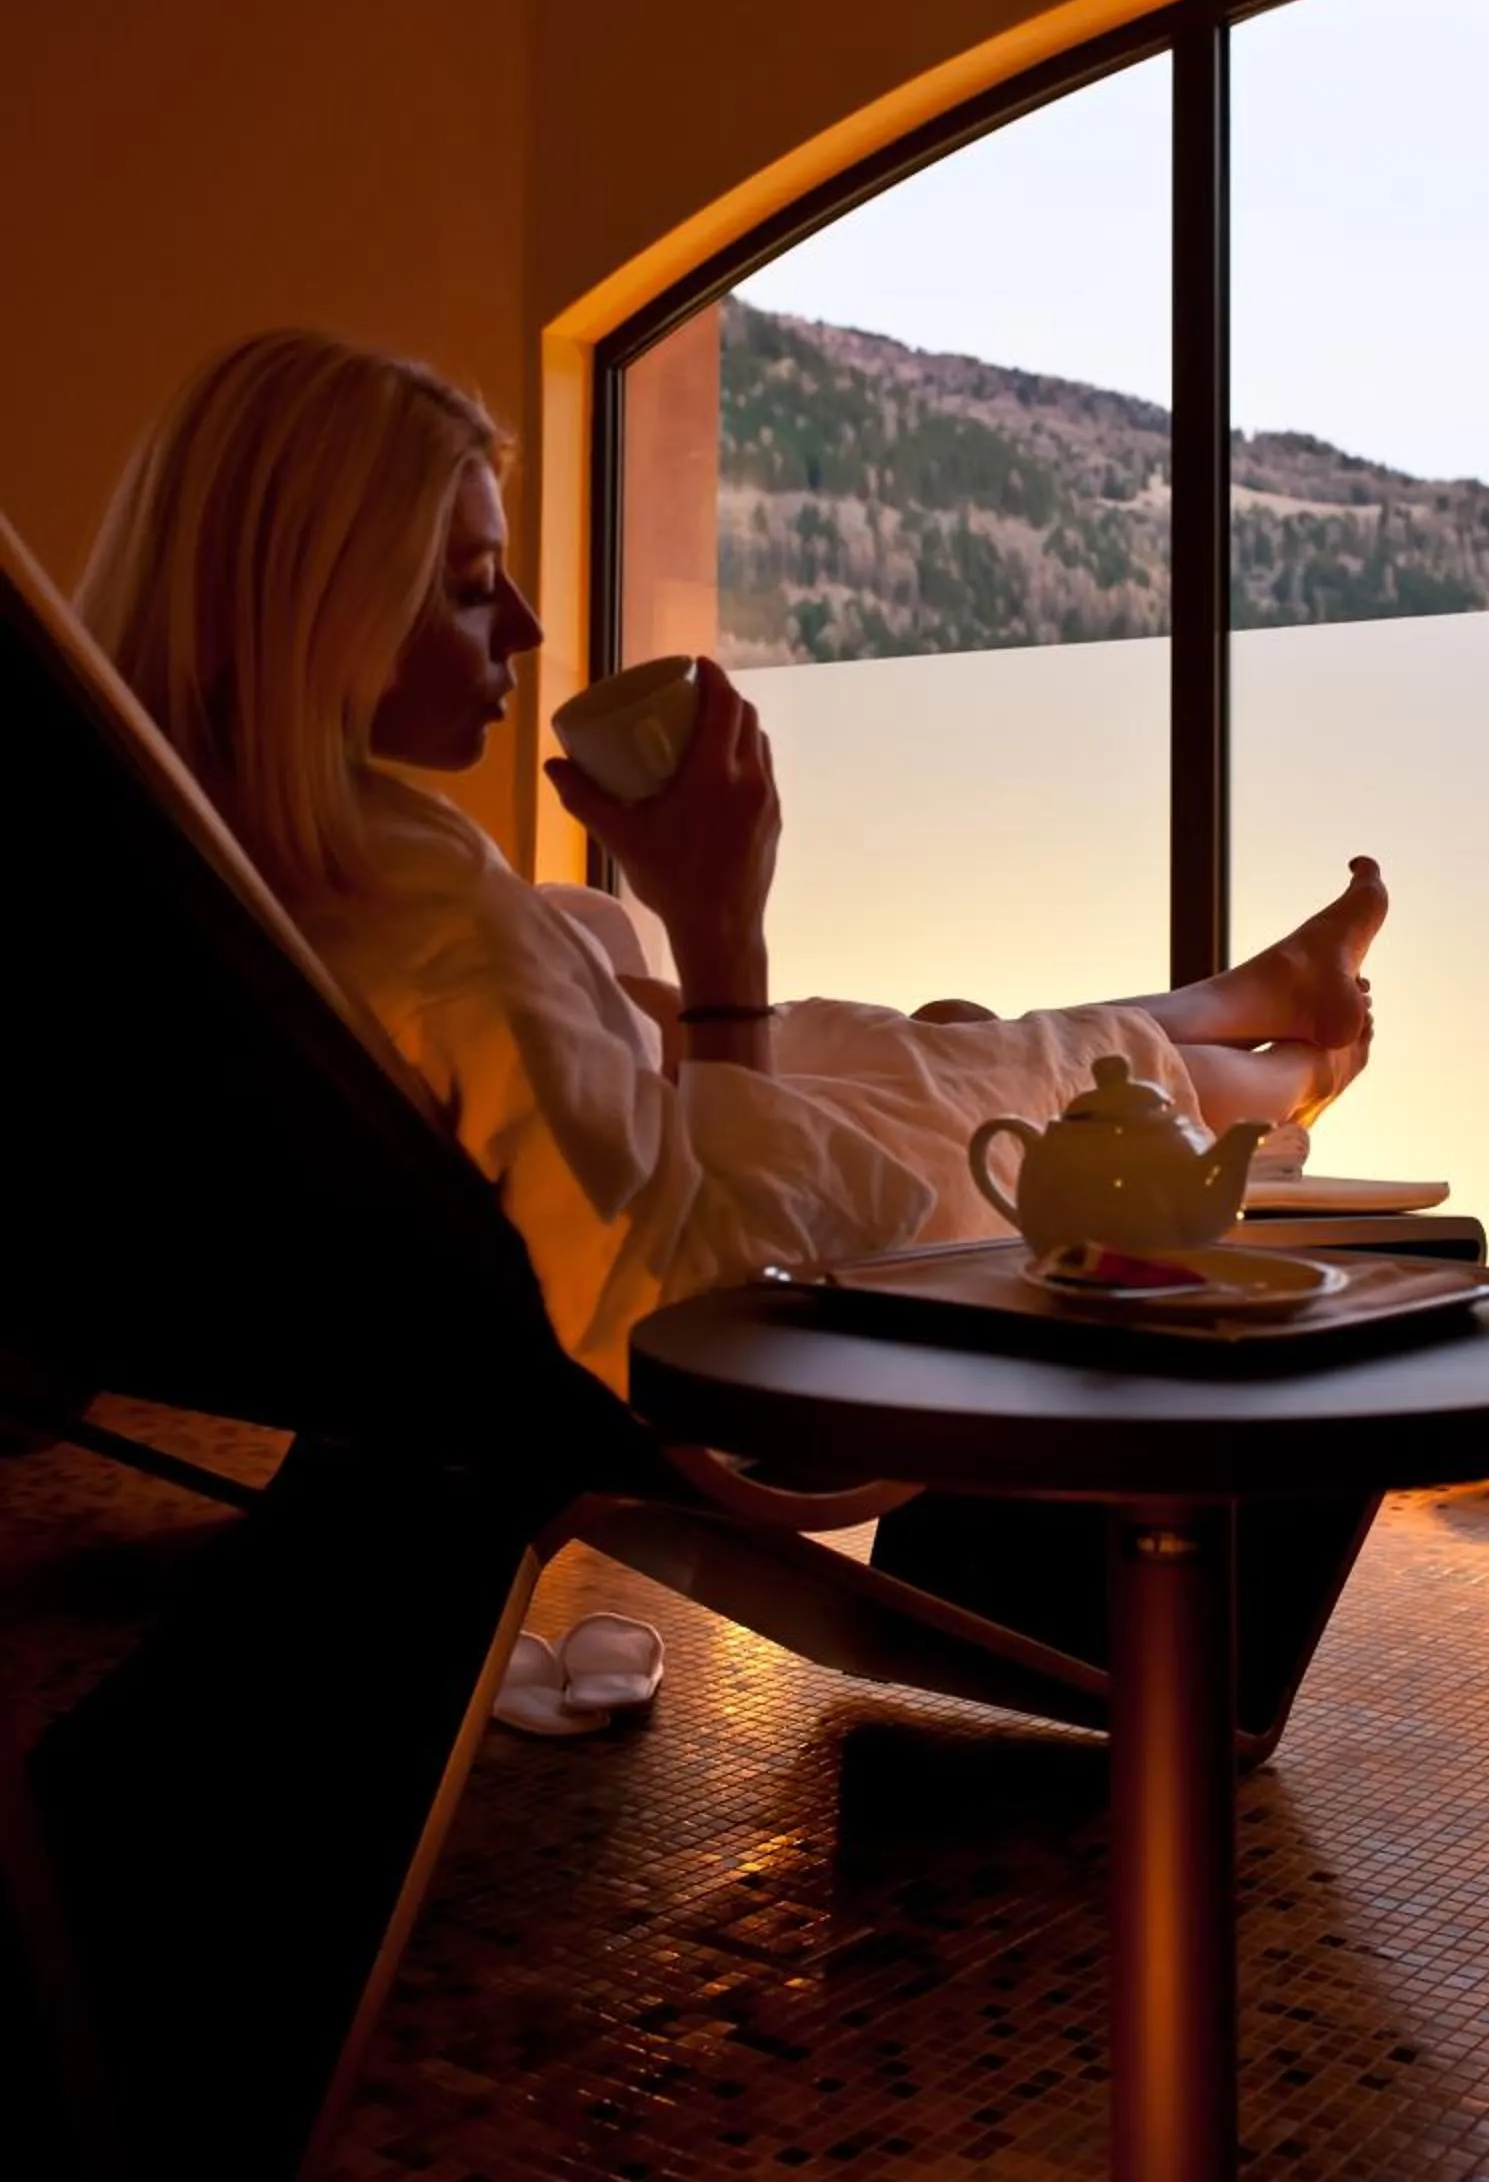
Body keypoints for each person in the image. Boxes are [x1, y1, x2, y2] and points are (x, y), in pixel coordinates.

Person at [76, 330, 1386, 1394]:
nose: (525, 627)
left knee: (904, 1051)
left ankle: (1242, 1017)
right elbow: (700, 1313)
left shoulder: (166, 844)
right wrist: (719, 934)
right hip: (773, 1259)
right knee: (957, 1103)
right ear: (323, 603)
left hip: (581, 1180)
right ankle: (1275, 1067)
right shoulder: (425, 909)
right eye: (474, 585)